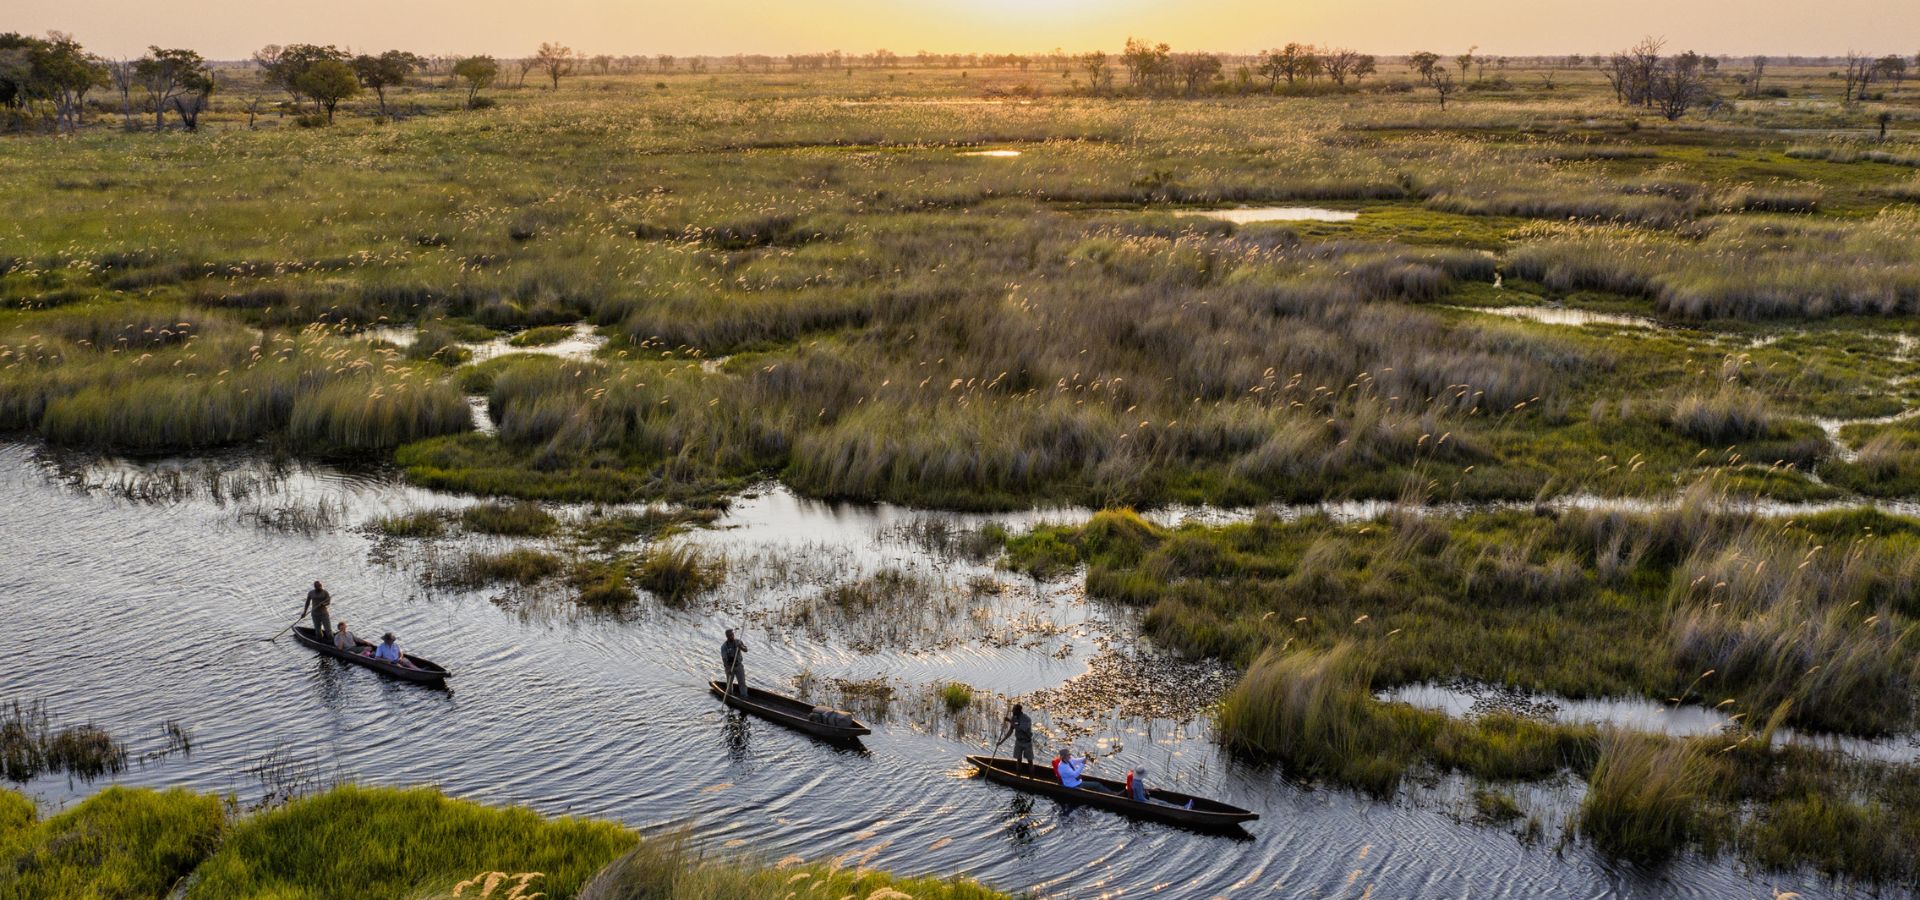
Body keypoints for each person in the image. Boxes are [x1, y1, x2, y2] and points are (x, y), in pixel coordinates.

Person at [720, 629, 748, 697]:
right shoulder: (724, 646)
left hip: (739, 666)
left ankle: (744, 696)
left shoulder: (738, 641)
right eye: (730, 635)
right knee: (729, 683)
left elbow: (746, 650)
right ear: (727, 636)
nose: (732, 636)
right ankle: (729, 695)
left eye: (732, 635)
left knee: (742, 682)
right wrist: (728, 669)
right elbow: (724, 659)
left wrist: (741, 647)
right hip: (729, 667)